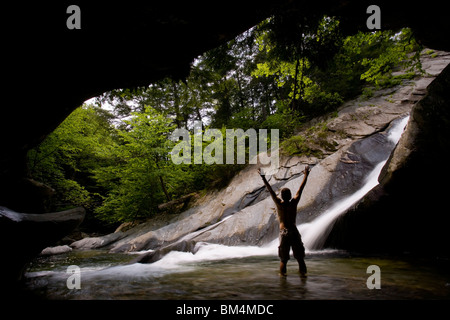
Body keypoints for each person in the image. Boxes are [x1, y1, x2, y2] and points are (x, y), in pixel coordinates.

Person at [258, 165, 310, 277]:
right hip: (294, 231)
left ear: (281, 196)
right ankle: (303, 277)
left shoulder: (279, 204)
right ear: (290, 195)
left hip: (284, 232)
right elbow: (301, 189)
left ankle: (283, 280)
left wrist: (263, 178)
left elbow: (270, 190)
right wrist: (306, 175)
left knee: (283, 259)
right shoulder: (294, 202)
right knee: (300, 259)